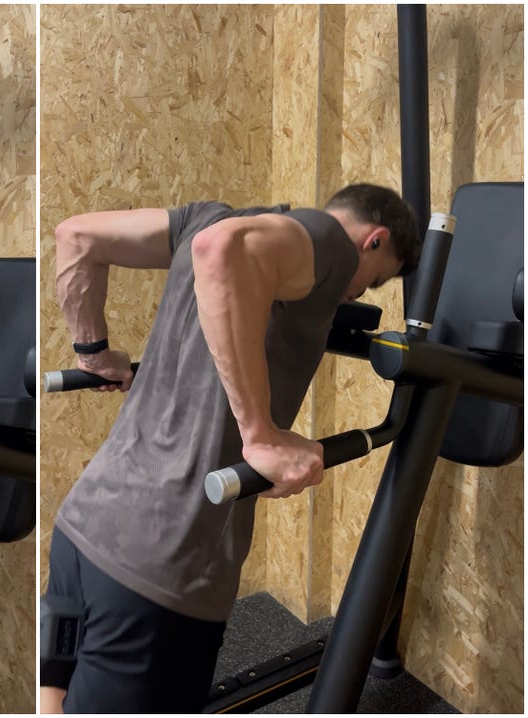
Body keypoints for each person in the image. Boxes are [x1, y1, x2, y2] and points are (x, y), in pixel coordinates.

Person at [41, 184, 421, 713]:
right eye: (372, 282)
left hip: (82, 533)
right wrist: (260, 434)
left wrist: (93, 352)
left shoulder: (203, 216)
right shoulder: (331, 243)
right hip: (161, 567)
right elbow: (223, 252)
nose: (354, 295)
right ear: (373, 241)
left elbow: (76, 235)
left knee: (53, 696)